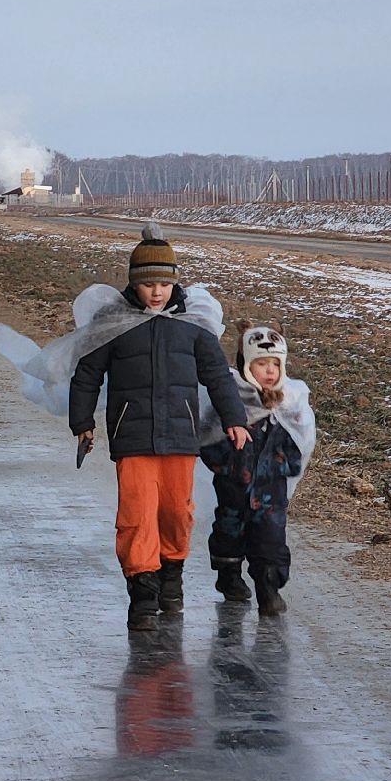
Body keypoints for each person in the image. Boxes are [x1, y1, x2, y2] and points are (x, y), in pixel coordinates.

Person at [66, 224, 251, 631]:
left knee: (176, 513)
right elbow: (87, 374)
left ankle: (171, 579)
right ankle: (142, 592)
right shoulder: (114, 324)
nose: (156, 292)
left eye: (164, 284)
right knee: (136, 515)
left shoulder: (192, 326)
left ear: (174, 284)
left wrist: (235, 419)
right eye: (148, 283)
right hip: (132, 436)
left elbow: (218, 376)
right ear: (135, 284)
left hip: (180, 437)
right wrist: (83, 424)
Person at [198, 325, 317, 615]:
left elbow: (299, 439)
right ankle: (229, 575)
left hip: (270, 489)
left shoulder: (289, 401)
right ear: (246, 365)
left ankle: (269, 587)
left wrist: (284, 464)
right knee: (229, 531)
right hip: (233, 485)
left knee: (271, 536)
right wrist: (226, 463)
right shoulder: (230, 399)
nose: (270, 371)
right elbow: (208, 436)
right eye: (261, 364)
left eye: (275, 364)